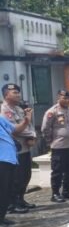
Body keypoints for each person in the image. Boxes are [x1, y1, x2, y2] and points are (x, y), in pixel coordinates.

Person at [1, 83, 36, 213]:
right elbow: (14, 130)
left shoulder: (19, 109)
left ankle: (20, 199)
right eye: (14, 93)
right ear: (6, 95)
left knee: (25, 175)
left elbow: (29, 125)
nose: (18, 95)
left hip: (25, 147)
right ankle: (13, 203)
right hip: (14, 150)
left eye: (18, 92)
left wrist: (32, 135)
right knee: (16, 178)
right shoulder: (4, 110)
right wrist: (30, 134)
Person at [42, 90, 69, 203]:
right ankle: (55, 193)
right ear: (58, 98)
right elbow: (45, 128)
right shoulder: (52, 112)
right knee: (57, 171)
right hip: (59, 146)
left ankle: (66, 191)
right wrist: (50, 142)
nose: (67, 100)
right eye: (65, 98)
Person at [0, 105, 32, 227]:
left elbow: (15, 129)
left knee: (7, 190)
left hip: (10, 160)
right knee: (2, 190)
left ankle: (2, 217)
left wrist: (26, 120)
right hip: (1, 160)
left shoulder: (1, 119)